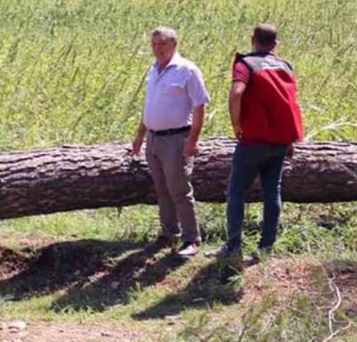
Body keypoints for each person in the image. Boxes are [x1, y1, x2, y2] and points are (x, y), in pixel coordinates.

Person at [217, 24, 305, 270]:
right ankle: (266, 248)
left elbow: (236, 93)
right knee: (272, 192)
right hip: (279, 141)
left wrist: (236, 124)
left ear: (252, 40)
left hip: (254, 140)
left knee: (236, 192)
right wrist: (288, 138)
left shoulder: (245, 65)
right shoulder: (285, 65)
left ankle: (234, 247)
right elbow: (289, 103)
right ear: (275, 44)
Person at [130, 26, 210, 258]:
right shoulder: (154, 70)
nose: (158, 49)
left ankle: (191, 238)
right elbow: (149, 106)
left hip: (176, 139)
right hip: (154, 139)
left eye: (163, 44)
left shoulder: (187, 70)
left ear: (175, 45)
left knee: (180, 191)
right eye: (154, 44)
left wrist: (192, 140)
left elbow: (199, 106)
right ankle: (168, 233)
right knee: (162, 190)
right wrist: (139, 136)